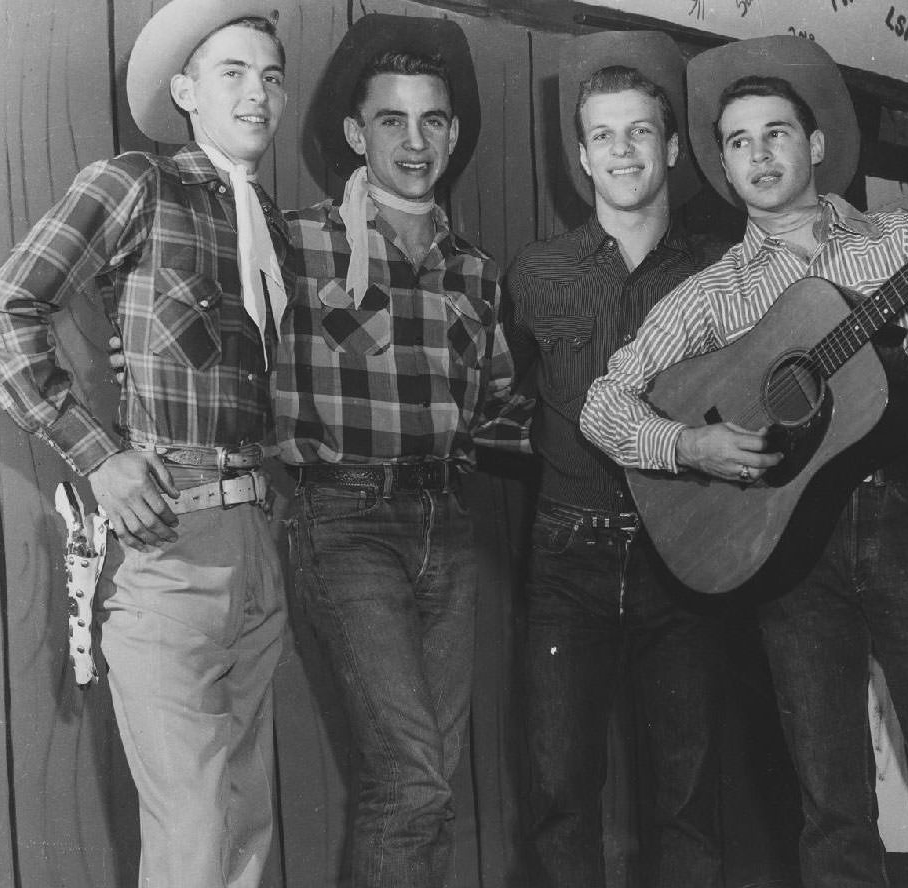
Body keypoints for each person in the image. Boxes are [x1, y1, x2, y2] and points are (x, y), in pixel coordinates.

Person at [580, 35, 908, 887]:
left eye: (776, 134)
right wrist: (689, 443)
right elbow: (603, 404)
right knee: (831, 804)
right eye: (737, 142)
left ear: (816, 145)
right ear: (722, 167)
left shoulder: (899, 238)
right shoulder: (713, 294)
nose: (758, 156)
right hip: (787, 545)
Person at [0, 1, 290, 886]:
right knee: (196, 833)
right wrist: (99, 454)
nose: (258, 94)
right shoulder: (134, 182)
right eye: (233, 72)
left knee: (245, 826)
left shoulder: (268, 222)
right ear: (185, 91)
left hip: (257, 545)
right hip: (169, 549)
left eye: (272, 76)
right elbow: (9, 312)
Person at [276, 16, 530, 888]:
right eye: (392, 120)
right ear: (357, 133)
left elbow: (498, 415)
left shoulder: (475, 272)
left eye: (433, 121)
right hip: (343, 521)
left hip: (447, 528)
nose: (415, 142)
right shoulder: (300, 244)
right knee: (410, 780)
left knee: (432, 785)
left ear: (454, 134)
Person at [504, 31, 726, 888]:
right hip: (567, 560)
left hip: (687, 555)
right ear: (583, 157)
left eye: (641, 132)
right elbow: (503, 401)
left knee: (690, 794)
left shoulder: (719, 270)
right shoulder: (536, 273)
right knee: (561, 794)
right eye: (604, 135)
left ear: (671, 147)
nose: (623, 150)